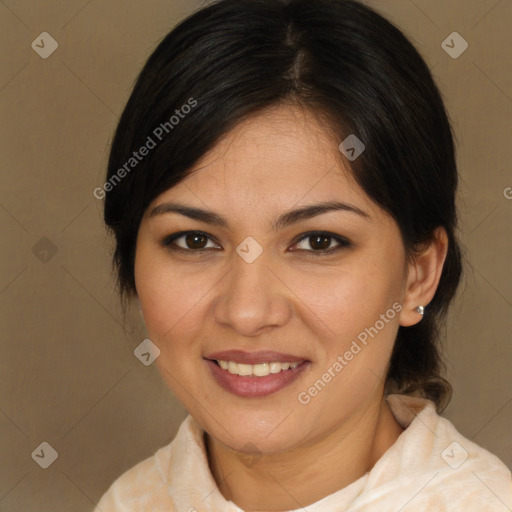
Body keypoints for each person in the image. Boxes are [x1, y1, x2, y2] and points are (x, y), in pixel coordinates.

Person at [94, 0, 512, 510]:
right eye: (195, 240)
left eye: (318, 242)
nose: (246, 312)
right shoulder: (127, 502)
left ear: (418, 273)